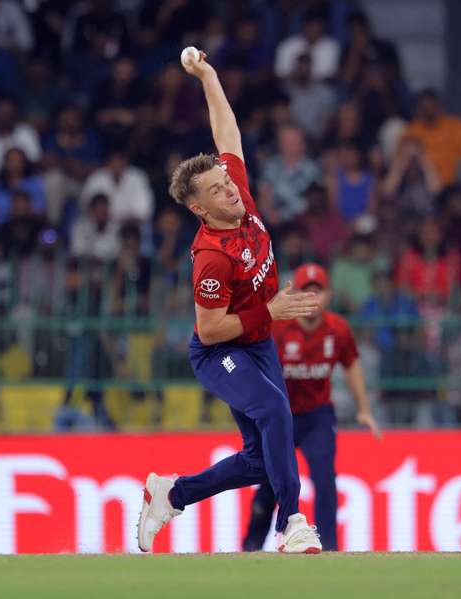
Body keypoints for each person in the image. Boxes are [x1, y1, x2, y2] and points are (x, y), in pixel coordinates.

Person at [137, 49, 323, 554]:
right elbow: (212, 330)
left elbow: (227, 131)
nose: (232, 192)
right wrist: (272, 312)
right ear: (199, 208)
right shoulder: (210, 259)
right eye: (218, 192)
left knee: (262, 460)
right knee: (276, 414)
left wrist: (209, 76)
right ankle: (292, 523)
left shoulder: (236, 190)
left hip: (257, 343)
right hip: (219, 352)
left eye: (227, 182)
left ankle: (171, 494)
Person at [241, 264, 381, 552]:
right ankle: (251, 546)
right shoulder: (278, 328)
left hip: (317, 416)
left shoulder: (338, 329)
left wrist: (364, 408)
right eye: (306, 292)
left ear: (328, 296)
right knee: (270, 482)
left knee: (325, 479)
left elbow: (351, 365)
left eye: (318, 292)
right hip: (281, 416)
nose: (312, 298)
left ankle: (328, 547)